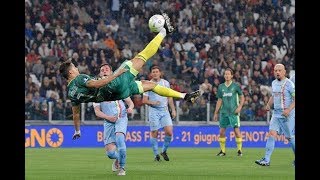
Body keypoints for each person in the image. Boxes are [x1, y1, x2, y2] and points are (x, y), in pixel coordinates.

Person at [59, 13, 200, 139]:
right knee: (142, 56)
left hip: (117, 94)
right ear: (70, 73)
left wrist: (77, 130)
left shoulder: (71, 94)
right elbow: (97, 84)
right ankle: (163, 31)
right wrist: (117, 74)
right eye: (74, 68)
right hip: (115, 84)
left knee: (151, 85)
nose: (77, 68)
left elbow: (76, 114)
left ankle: (184, 96)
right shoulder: (79, 78)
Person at [93, 64, 133, 176]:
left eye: (107, 69)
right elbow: (97, 112)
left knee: (120, 141)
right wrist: (108, 117)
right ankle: (118, 159)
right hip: (108, 122)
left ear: (111, 73)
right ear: (100, 74)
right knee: (110, 153)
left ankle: (122, 168)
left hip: (121, 117)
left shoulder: (118, 86)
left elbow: (130, 102)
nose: (104, 71)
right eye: (102, 70)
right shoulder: (96, 92)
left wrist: (130, 108)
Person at [255, 64, 295, 166]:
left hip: (288, 115)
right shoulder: (273, 83)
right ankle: (266, 160)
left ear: (284, 72)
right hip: (276, 114)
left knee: (290, 138)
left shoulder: (289, 84)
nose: (277, 72)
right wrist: (268, 104)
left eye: (279, 70)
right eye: (275, 70)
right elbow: (273, 95)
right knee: (271, 134)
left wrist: (288, 110)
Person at [142, 65, 176, 161]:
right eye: (153, 72)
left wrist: (173, 109)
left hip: (164, 110)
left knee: (169, 132)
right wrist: (153, 102)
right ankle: (156, 155)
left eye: (157, 71)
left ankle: (164, 151)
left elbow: (170, 97)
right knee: (154, 133)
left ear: (160, 73)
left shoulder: (166, 83)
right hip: (153, 111)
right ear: (151, 74)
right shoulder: (147, 84)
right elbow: (144, 100)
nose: (155, 73)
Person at [213, 68, 245, 156]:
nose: (227, 76)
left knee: (236, 131)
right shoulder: (221, 87)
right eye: (225, 74)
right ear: (224, 76)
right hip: (224, 113)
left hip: (233, 113)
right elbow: (219, 100)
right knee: (221, 132)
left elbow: (242, 97)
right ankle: (223, 151)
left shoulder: (235, 86)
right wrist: (216, 112)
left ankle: (239, 150)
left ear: (232, 76)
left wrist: (240, 107)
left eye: (228, 74)